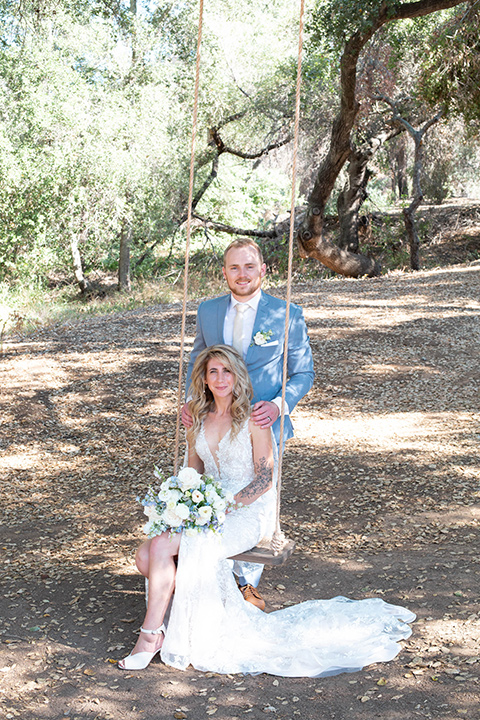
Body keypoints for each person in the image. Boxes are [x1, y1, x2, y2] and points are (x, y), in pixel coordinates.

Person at [118, 345, 415, 676]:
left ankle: (150, 637)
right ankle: (176, 623)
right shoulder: (197, 418)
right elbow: (192, 472)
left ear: (237, 376)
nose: (220, 378)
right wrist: (182, 503)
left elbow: (265, 476)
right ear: (203, 378)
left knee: (161, 549)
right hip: (207, 508)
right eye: (213, 371)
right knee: (146, 556)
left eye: (226, 371)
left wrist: (227, 505)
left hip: (248, 510)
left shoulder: (253, 418)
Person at [182, 238, 314, 607]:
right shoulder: (208, 311)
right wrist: (191, 401)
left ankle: (244, 583)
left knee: (254, 492)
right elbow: (197, 361)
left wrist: (278, 405)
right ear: (224, 272)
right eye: (234, 267)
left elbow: (303, 373)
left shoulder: (286, 313)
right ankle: (213, 579)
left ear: (263, 270)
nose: (242, 274)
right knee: (213, 484)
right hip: (216, 417)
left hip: (260, 421)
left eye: (249, 266)